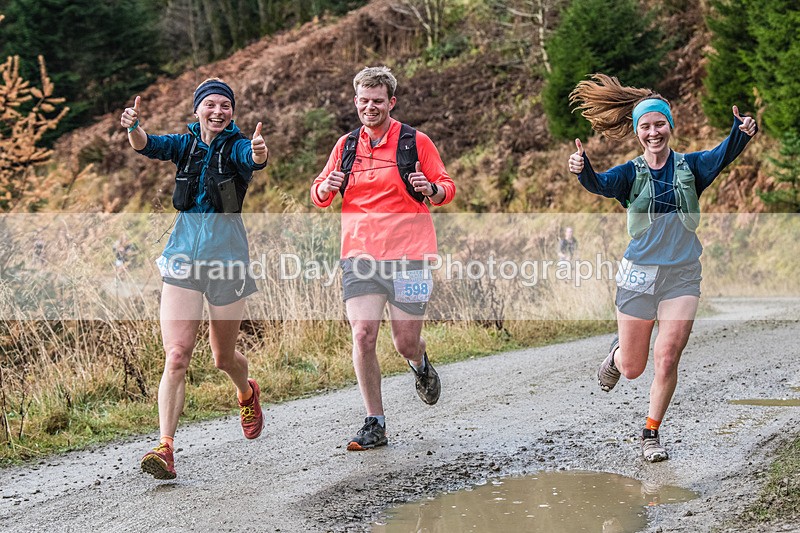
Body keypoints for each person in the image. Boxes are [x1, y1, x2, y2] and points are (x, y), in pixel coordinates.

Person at [567, 74, 757, 462]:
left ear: (670, 126)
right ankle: (617, 356)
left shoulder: (692, 167)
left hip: (682, 275)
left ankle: (650, 433)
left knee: (667, 355)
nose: (653, 132)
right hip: (638, 274)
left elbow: (722, 154)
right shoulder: (629, 173)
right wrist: (582, 168)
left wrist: (741, 133)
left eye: (659, 124)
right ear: (637, 132)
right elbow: (600, 184)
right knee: (633, 368)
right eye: (646, 126)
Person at [120, 78, 269, 479]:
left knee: (223, 358)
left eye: (225, 105)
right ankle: (165, 447)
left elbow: (253, 158)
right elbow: (147, 145)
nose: (218, 111)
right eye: (211, 105)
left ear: (232, 112)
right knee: (177, 355)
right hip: (182, 260)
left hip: (227, 262)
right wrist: (134, 127)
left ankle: (247, 392)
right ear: (197, 109)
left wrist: (259, 151)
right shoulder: (184, 145)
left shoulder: (237, 147)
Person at [311, 66, 456, 451]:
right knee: (363, 333)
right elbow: (319, 192)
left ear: (391, 102)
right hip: (360, 255)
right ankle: (375, 422)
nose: (370, 107)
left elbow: (447, 187)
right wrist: (325, 187)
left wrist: (432, 189)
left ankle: (419, 363)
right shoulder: (345, 146)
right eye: (364, 100)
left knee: (405, 342)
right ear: (355, 101)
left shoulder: (415, 142)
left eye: (377, 101)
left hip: (411, 256)